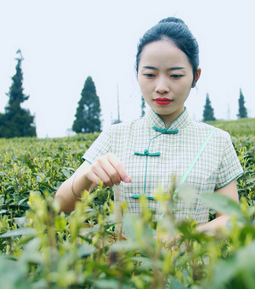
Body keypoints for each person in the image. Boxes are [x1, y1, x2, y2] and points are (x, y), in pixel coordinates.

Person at [55, 17, 243, 233]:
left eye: (175, 75)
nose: (161, 87)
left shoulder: (217, 141)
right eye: (150, 75)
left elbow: (231, 220)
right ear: (137, 73)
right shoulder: (116, 135)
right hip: (126, 265)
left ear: (195, 76)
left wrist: (183, 240)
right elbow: (61, 203)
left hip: (192, 264)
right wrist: (86, 179)